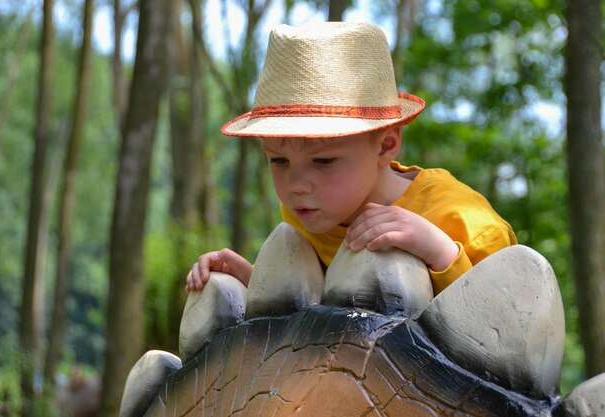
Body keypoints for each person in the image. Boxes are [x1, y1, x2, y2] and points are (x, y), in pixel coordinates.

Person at [185, 21, 516, 296]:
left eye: (324, 161)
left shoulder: (465, 224)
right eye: (279, 161)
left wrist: (440, 253)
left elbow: (511, 326)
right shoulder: (304, 215)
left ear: (386, 145)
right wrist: (256, 282)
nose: (295, 186)